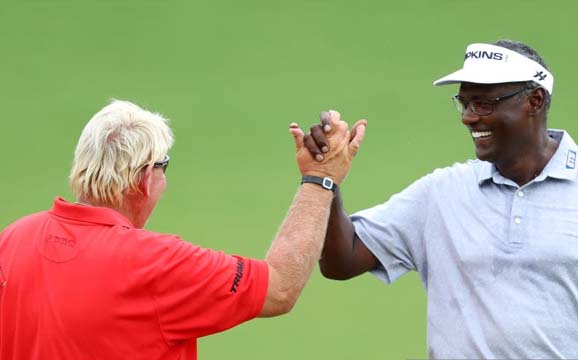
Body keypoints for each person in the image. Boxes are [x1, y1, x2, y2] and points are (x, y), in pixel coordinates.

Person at [303, 39, 578, 358]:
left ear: (534, 101)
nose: (468, 116)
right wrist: (326, 179)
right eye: (465, 103)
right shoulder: (440, 193)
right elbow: (341, 260)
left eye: (484, 103)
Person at [0, 101, 366, 359]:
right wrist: (320, 179)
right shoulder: (157, 264)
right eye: (164, 166)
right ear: (145, 178)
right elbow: (280, 287)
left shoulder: (14, 239)